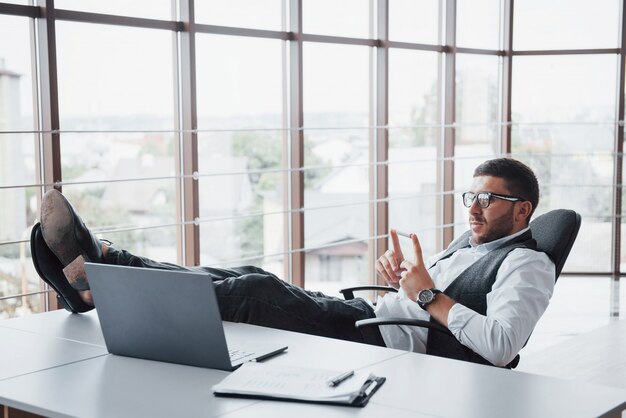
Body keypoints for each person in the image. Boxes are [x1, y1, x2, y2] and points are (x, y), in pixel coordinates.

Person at [33, 157, 554, 368]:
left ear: (522, 209)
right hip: (377, 316)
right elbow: (424, 297)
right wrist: (402, 282)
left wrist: (423, 294)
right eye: (471, 196)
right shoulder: (469, 244)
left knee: (251, 294)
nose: (474, 207)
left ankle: (99, 274)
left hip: (385, 339)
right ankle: (102, 268)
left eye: (488, 200)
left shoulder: (528, 266)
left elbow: (502, 347)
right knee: (243, 276)